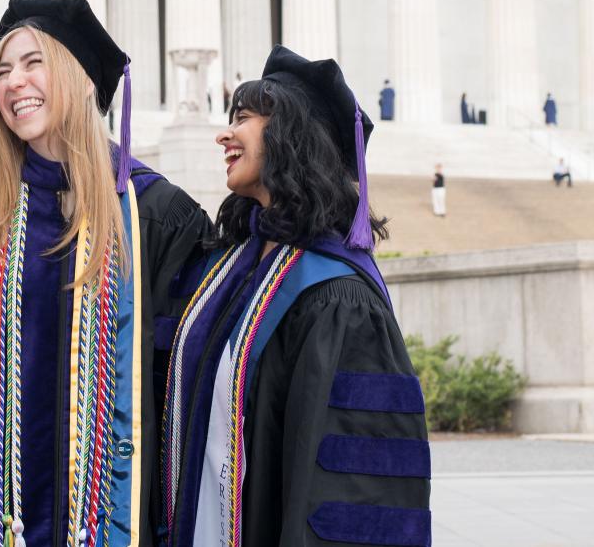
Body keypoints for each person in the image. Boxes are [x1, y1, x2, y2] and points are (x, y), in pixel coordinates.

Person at [0, 0, 208, 547]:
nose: (13, 82)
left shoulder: (155, 217)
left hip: (112, 521)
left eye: (33, 63)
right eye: (2, 70)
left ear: (76, 78)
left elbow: (184, 387)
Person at [163, 45, 430, 547]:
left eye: (242, 118)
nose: (224, 134)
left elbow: (353, 496)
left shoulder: (339, 299)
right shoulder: (238, 270)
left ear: (291, 136)